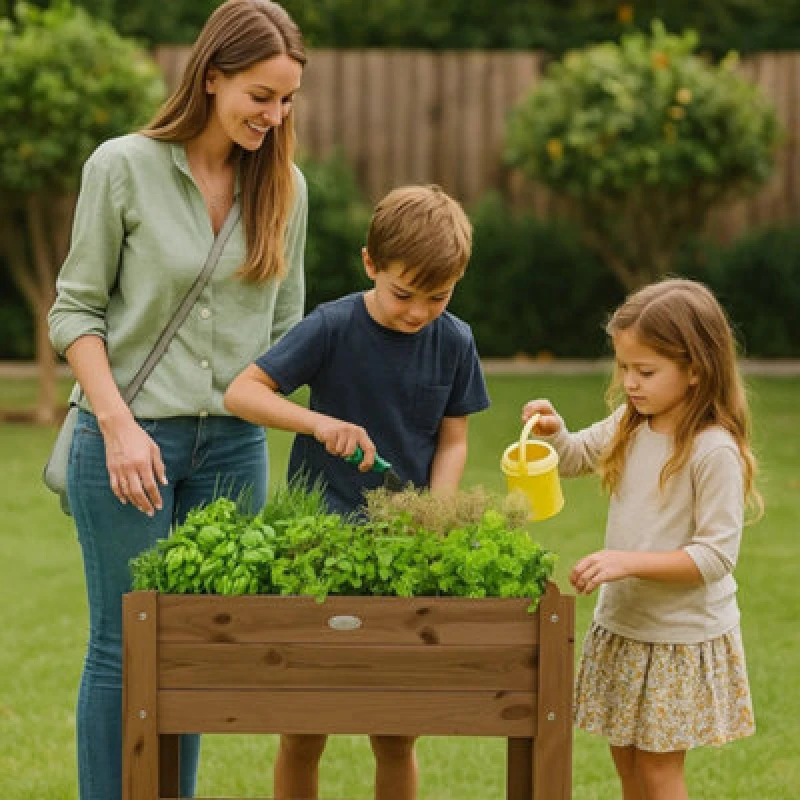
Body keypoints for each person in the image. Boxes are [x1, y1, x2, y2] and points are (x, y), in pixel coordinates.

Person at [46, 2, 307, 798]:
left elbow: (288, 330)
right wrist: (119, 426)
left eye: (288, 99)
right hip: (130, 442)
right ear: (213, 75)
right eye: (260, 95)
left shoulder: (286, 187)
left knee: (189, 649)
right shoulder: (121, 167)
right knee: (126, 646)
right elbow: (74, 312)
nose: (275, 114)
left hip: (232, 449)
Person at [224, 183, 490, 800]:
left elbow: (452, 439)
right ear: (370, 264)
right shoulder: (332, 326)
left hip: (403, 551)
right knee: (304, 728)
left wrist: (437, 511)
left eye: (438, 296)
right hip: (316, 549)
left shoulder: (455, 341)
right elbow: (243, 393)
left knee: (397, 731)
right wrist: (319, 423)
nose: (419, 311)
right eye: (403, 294)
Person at [522, 278, 761, 800]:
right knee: (627, 764)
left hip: (678, 636)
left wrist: (624, 562)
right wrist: (554, 434)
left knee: (657, 772)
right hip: (628, 626)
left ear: (696, 368)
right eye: (625, 368)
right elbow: (577, 456)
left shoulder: (711, 449)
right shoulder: (632, 422)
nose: (631, 383)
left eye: (646, 371)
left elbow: (716, 555)